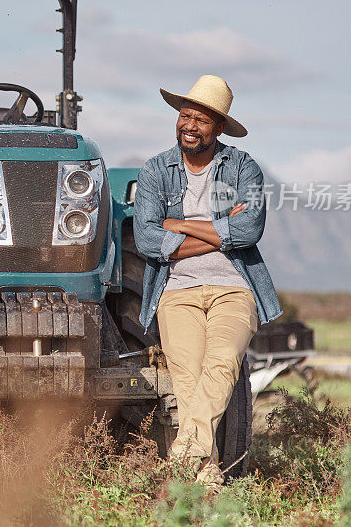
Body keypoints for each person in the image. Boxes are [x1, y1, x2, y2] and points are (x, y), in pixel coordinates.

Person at [133, 75, 281, 490]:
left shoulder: (243, 167)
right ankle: (208, 475)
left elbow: (249, 229)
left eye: (201, 119)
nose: (190, 125)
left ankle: (184, 456)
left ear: (218, 127)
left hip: (235, 286)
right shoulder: (155, 170)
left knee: (222, 365)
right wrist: (219, 228)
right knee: (188, 378)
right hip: (175, 290)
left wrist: (177, 226)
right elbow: (146, 239)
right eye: (185, 116)